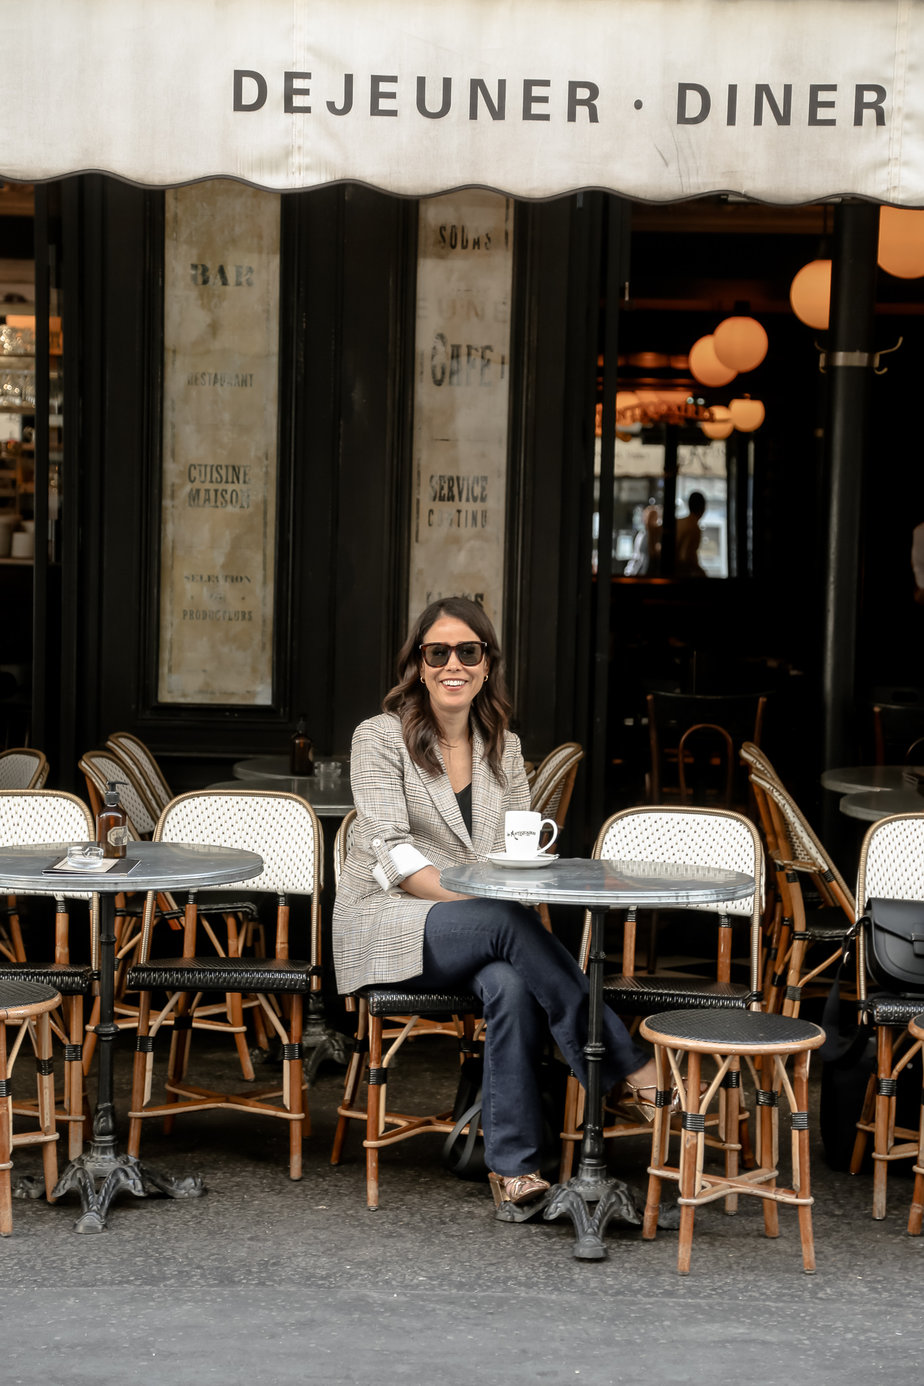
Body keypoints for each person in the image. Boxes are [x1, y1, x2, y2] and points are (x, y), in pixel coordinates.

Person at [332, 595, 663, 1210]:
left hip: (483, 924)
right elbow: (390, 850)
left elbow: (515, 847)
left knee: (510, 986)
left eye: (468, 651)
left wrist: (507, 889)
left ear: (486, 664)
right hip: (389, 920)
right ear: (419, 664)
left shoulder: (501, 746)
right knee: (505, 924)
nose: (452, 664)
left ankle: (514, 1167)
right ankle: (622, 1065)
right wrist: (472, 898)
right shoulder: (379, 738)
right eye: (438, 652)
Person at [675, 490, 707, 577]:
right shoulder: (694, 527)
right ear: (703, 508)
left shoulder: (678, 522)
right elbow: (685, 557)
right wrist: (701, 572)